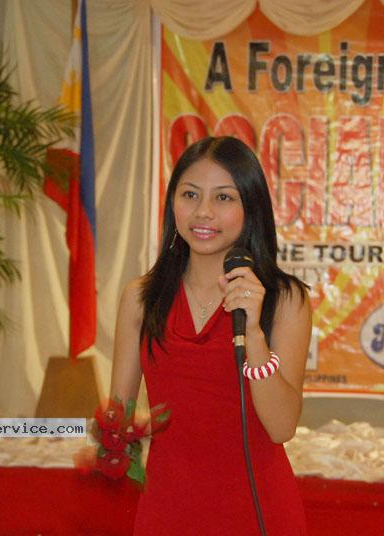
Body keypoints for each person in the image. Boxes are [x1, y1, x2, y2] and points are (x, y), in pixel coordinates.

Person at [110, 136, 311, 534]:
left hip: (256, 510)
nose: (203, 212)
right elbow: (119, 418)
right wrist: (108, 440)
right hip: (168, 510)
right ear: (173, 204)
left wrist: (252, 332)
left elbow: (282, 426)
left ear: (249, 207)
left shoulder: (285, 300)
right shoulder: (141, 298)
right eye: (190, 194)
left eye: (223, 198)